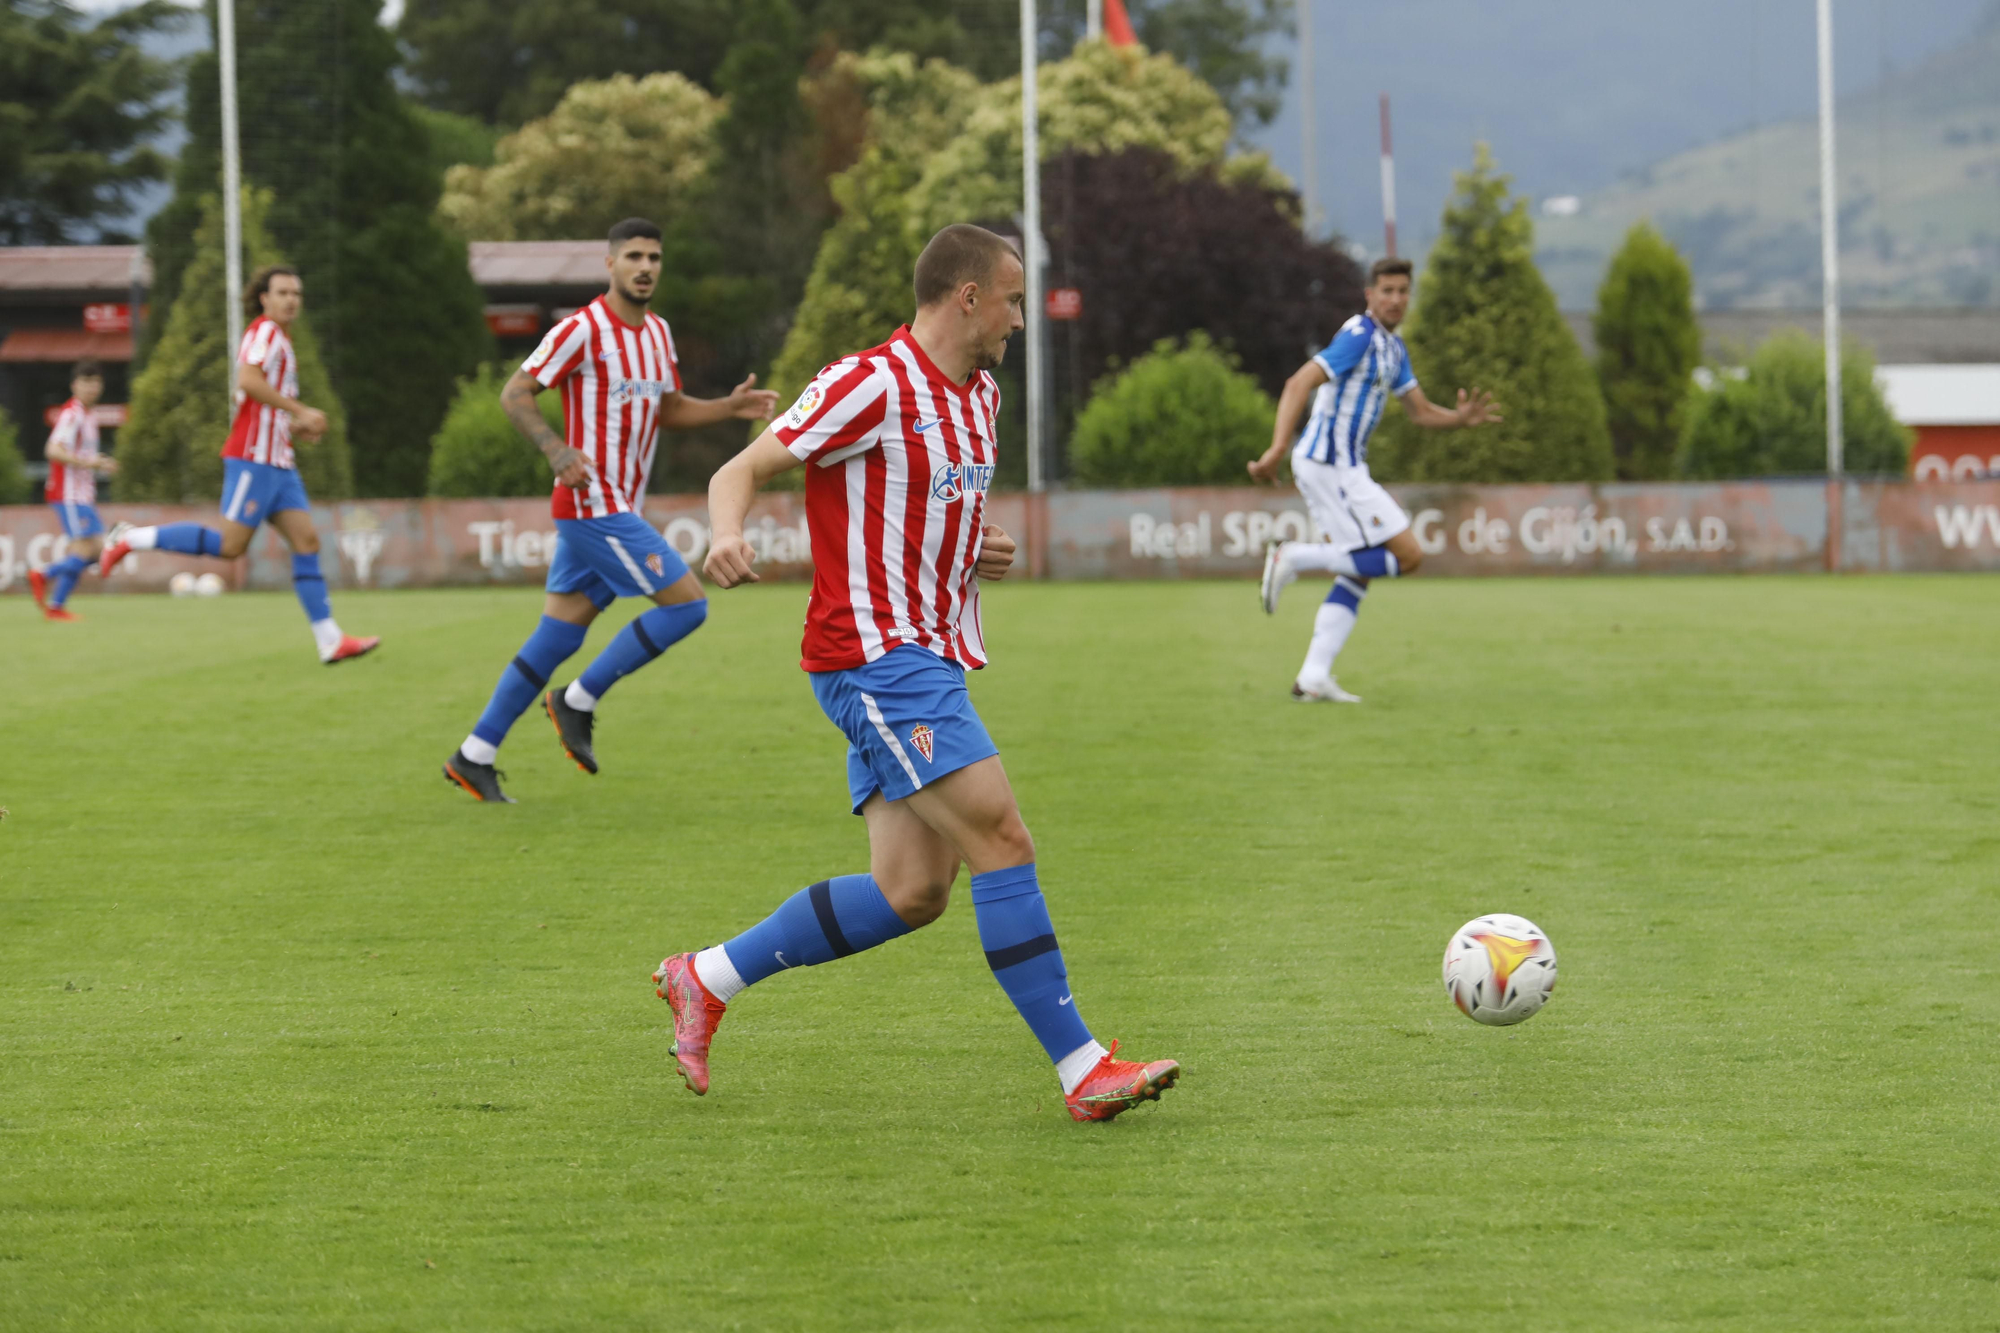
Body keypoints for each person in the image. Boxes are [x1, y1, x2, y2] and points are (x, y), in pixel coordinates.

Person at [652, 224, 1181, 1123]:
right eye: (1013, 298)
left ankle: (705, 976)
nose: (1020, 317)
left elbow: (933, 511)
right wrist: (729, 531)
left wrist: (985, 544)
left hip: (927, 655)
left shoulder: (981, 396)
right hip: (876, 659)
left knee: (913, 892)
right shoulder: (870, 383)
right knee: (1003, 839)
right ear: (966, 296)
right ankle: (1083, 1067)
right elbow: (743, 465)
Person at [441, 217, 776, 803]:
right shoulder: (582, 330)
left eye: (654, 257)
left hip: (615, 505)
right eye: (634, 257)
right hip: (593, 504)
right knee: (687, 607)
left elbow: (667, 409)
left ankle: (474, 754)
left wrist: (727, 408)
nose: (646, 267)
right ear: (611, 265)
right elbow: (515, 392)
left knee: (556, 638)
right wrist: (556, 448)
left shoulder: (658, 334)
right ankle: (577, 699)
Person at [1248, 257, 1500, 701]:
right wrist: (1276, 448)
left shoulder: (1392, 349)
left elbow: (1419, 411)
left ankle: (1312, 677)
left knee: (1359, 572)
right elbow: (1297, 383)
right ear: (1369, 295)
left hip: (1346, 468)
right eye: (1387, 290)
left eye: (1403, 291)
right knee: (1408, 556)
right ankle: (1293, 557)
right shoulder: (1359, 336)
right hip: (1330, 465)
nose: (1396, 299)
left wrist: (1459, 419)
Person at [98, 266, 377, 664]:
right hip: (253, 459)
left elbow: (247, 398)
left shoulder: (281, 338)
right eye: (282, 292)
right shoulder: (263, 331)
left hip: (279, 461)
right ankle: (129, 537)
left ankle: (330, 639)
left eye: (296, 293)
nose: (291, 300)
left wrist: (294, 425)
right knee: (231, 547)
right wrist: (300, 408)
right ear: (264, 297)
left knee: (307, 542)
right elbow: (247, 381)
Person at [28, 360, 117, 621]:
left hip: (81, 495)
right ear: (74, 385)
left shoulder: (89, 415)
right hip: (68, 495)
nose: (91, 388)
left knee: (91, 552)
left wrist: (98, 463)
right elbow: (53, 450)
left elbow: (81, 454)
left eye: (95, 382)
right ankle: (44, 575)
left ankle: (55, 605)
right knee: (94, 550)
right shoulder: (72, 413)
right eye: (85, 382)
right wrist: (89, 462)